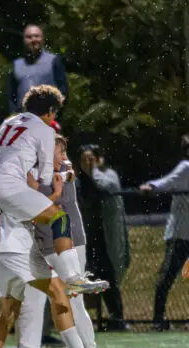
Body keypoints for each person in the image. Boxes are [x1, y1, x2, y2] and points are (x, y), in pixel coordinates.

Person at [0, 136, 111, 348]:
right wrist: (57, 190)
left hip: (11, 247)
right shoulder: (19, 173)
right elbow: (40, 204)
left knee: (10, 310)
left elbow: (66, 172)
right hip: (21, 246)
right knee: (59, 293)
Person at [0, 85, 106, 295]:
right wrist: (61, 177)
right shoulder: (46, 130)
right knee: (60, 218)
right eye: (54, 112)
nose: (53, 117)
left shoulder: (9, 122)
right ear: (50, 110)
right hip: (8, 187)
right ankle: (73, 278)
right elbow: (47, 177)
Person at [139, 134, 189, 331]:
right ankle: (158, 320)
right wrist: (152, 186)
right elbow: (170, 180)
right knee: (167, 276)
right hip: (181, 233)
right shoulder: (186, 167)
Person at [77, 144, 129, 331]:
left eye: (91, 159)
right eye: (84, 160)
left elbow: (107, 187)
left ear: (100, 160)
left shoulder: (108, 175)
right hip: (83, 238)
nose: (87, 163)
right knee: (80, 280)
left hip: (104, 237)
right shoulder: (76, 180)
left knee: (108, 278)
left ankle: (117, 318)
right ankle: (77, 321)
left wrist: (93, 171)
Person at [8, 25, 68, 113]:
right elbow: (11, 96)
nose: (33, 40)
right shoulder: (16, 65)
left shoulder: (53, 60)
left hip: (48, 118)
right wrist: (14, 114)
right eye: (29, 37)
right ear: (24, 40)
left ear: (43, 39)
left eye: (36, 36)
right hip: (23, 120)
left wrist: (56, 113)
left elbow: (63, 90)